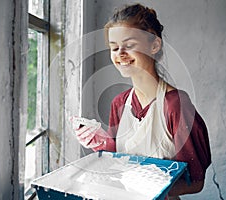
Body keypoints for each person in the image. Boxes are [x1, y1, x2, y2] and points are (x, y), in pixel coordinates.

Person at [72, 3, 211, 199]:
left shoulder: (176, 105)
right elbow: (120, 160)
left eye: (129, 45)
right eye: (114, 47)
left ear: (154, 45)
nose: (120, 54)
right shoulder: (119, 103)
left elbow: (196, 182)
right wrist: (102, 143)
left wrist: (149, 187)